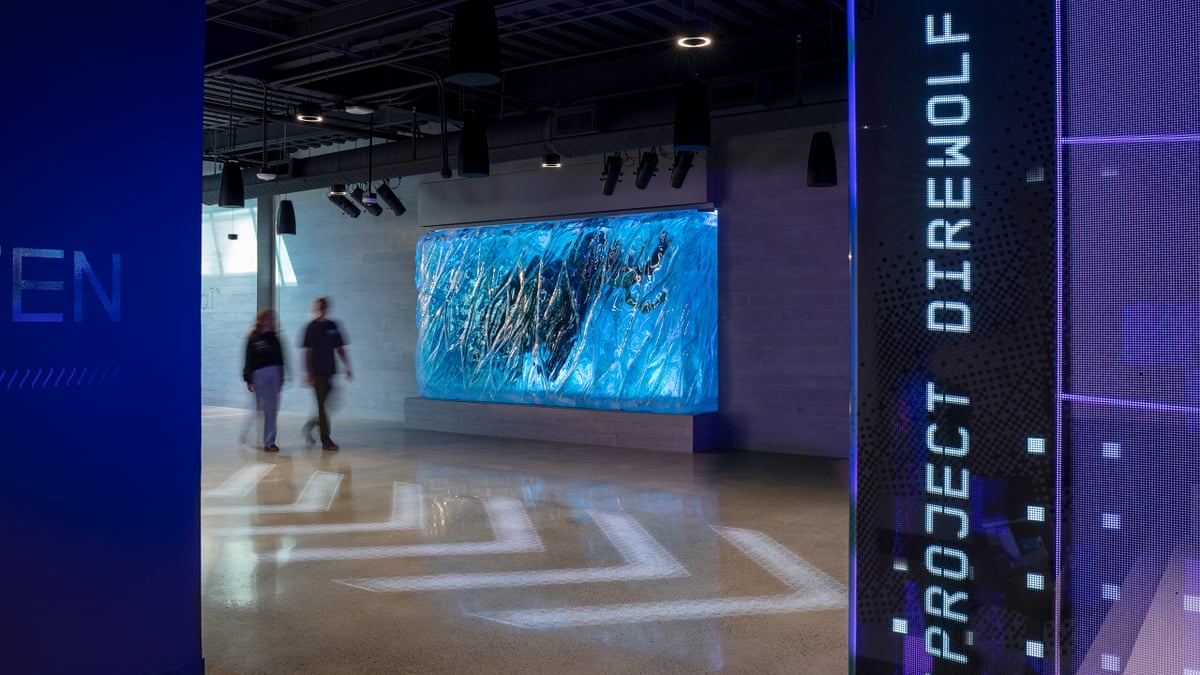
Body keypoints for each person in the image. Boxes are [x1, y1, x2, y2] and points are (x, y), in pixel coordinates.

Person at [302, 296, 352, 450]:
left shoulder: (332, 325)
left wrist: (347, 366)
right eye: (320, 307)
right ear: (316, 309)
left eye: (324, 306)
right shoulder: (311, 327)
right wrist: (309, 373)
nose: (322, 309)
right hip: (317, 372)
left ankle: (310, 425)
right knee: (322, 407)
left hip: (330, 371)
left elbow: (340, 348)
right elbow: (308, 352)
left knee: (326, 405)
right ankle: (326, 440)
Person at [242, 309, 286, 452]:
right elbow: (248, 359)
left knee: (272, 408)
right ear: (260, 321)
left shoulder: (275, 338)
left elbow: (281, 360)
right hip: (259, 375)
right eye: (266, 319)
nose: (269, 321)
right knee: (261, 408)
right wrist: (248, 378)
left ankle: (269, 442)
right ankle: (249, 431)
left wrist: (281, 378)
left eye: (271, 319)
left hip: (274, 374)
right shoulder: (253, 338)